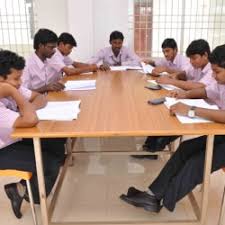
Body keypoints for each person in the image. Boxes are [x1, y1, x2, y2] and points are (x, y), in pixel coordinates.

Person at [120, 44, 225, 213]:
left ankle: (161, 200)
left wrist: (192, 110)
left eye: (217, 71)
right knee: (185, 149)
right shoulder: (221, 83)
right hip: (221, 132)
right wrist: (183, 95)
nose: (214, 75)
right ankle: (152, 195)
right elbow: (206, 91)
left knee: (197, 163)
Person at [0, 50, 65, 219]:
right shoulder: (11, 91)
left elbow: (40, 98)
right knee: (48, 163)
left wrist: (28, 109)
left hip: (15, 137)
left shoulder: (14, 86)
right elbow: (30, 120)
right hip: (3, 149)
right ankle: (28, 193)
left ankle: (20, 189)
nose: (20, 83)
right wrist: (16, 95)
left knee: (57, 142)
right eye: (16, 79)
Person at [139, 39, 215, 156]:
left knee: (176, 114)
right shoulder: (196, 65)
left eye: (194, 58)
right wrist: (175, 76)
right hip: (193, 98)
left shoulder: (212, 69)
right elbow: (185, 73)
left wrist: (172, 82)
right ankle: (152, 143)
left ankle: (154, 145)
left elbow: (199, 86)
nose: (191, 62)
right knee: (168, 108)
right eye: (190, 58)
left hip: (207, 105)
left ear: (205, 55)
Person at [22, 28, 65, 93]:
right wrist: (45, 88)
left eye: (54, 47)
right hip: (35, 101)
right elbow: (22, 93)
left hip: (50, 98)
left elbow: (59, 79)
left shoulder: (50, 59)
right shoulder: (26, 65)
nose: (54, 51)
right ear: (41, 46)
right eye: (51, 47)